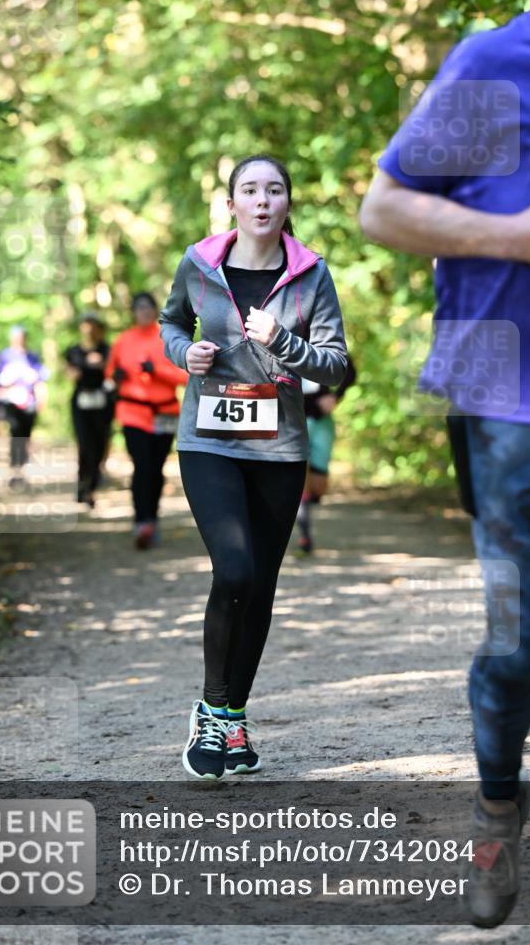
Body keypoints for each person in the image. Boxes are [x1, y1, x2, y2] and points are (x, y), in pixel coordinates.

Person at [359, 0, 530, 938]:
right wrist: (511, 237)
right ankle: (498, 798)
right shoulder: (496, 66)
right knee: (516, 646)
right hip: (505, 395)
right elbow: (382, 209)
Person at [160, 154, 348, 781]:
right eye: (250, 189)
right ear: (233, 203)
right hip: (208, 442)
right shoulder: (200, 263)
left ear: (287, 203)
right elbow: (169, 322)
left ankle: (233, 717)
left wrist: (283, 343)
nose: (263, 199)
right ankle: (211, 708)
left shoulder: (312, 274)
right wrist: (187, 352)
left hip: (280, 449)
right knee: (234, 568)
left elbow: (335, 364)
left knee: (261, 585)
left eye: (274, 189)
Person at [104, 293, 188, 549]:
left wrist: (158, 371)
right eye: (139, 308)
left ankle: (152, 517)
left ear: (155, 310)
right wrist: (115, 376)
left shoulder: (167, 337)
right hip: (132, 412)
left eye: (148, 307)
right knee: (142, 465)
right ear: (133, 312)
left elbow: (186, 376)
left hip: (164, 412)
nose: (144, 312)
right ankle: (141, 521)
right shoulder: (123, 340)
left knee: (156, 467)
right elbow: (109, 374)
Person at [295, 353, 357, 554]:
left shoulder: (322, 339)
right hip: (292, 420)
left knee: (318, 486)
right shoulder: (279, 336)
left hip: (321, 420)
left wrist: (336, 396)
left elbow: (350, 370)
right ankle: (305, 537)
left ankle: (305, 509)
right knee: (298, 479)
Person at [65, 313, 113, 509]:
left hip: (103, 402)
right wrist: (89, 365)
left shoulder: (108, 349)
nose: (90, 330)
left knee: (100, 444)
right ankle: (83, 486)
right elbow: (71, 373)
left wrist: (98, 365)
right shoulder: (74, 351)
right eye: (86, 325)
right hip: (81, 402)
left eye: (94, 325)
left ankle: (92, 484)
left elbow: (113, 370)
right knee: (85, 444)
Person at [0, 326, 48, 486]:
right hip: (11, 403)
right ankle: (15, 470)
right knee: (15, 434)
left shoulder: (33, 357)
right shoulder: (4, 356)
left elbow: (40, 380)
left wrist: (42, 400)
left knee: (25, 436)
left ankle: (21, 468)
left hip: (30, 403)